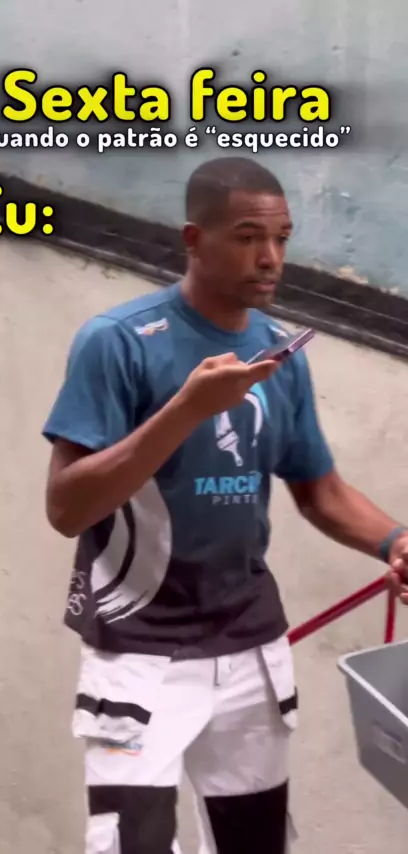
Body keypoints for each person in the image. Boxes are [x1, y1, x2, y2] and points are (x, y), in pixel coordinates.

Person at [42, 156, 408, 854]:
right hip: (139, 651)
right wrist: (186, 409)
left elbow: (320, 491)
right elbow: (66, 509)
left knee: (254, 844)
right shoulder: (117, 342)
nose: (270, 258)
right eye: (247, 237)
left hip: (250, 648)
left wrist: (395, 541)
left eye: (281, 238)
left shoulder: (279, 352)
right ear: (194, 238)